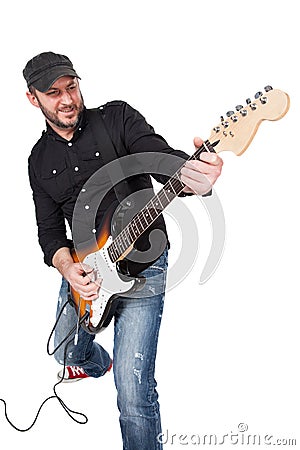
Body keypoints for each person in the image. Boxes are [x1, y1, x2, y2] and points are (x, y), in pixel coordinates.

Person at [23, 51, 223, 450]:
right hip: (87, 271)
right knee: (66, 351)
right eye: (53, 92)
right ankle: (96, 361)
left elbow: (163, 160)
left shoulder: (117, 118)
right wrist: (67, 268)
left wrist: (194, 176)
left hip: (144, 265)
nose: (67, 99)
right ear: (34, 99)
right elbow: (49, 233)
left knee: (133, 392)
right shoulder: (38, 160)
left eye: (72, 87)